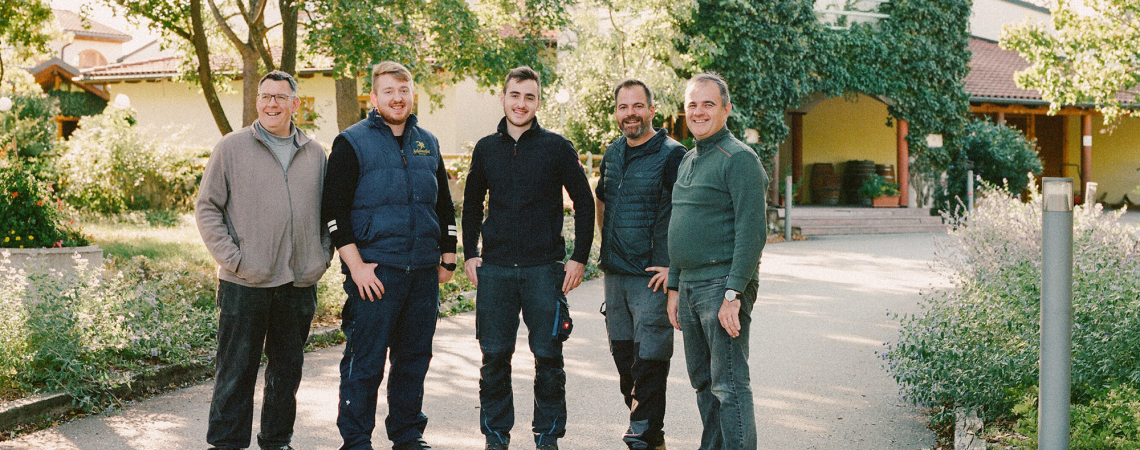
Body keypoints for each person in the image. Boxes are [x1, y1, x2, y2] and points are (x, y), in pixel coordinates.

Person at [320, 61, 457, 450]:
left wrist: (447, 256)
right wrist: (356, 267)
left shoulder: (427, 142)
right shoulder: (351, 142)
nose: (397, 98)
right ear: (374, 97)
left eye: (403, 90)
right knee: (365, 361)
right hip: (376, 273)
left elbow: (443, 205)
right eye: (389, 91)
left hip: (422, 273)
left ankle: (408, 434)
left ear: (412, 93)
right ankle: (356, 440)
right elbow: (333, 211)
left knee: (414, 359)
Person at [196, 70, 332, 450]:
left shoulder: (315, 153)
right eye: (265, 96)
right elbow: (207, 208)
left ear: (295, 104)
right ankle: (227, 443)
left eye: (280, 97)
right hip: (245, 282)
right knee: (235, 371)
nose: (272, 104)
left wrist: (321, 257)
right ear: (257, 101)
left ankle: (277, 441)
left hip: (298, 281)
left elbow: (328, 212)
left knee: (287, 372)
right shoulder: (232, 147)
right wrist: (235, 260)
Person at [462, 66, 595, 450]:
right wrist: (470, 253)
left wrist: (579, 257)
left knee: (549, 359)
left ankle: (547, 438)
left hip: (544, 271)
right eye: (515, 95)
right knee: (494, 359)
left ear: (538, 102)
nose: (521, 104)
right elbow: (471, 205)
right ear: (503, 98)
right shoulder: (486, 148)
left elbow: (584, 203)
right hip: (496, 271)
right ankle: (496, 439)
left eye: (529, 97)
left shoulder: (557, 147)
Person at [666, 72, 768, 450]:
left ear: (726, 109)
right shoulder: (688, 159)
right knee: (704, 384)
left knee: (729, 385)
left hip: (721, 285)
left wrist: (733, 293)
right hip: (690, 285)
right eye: (692, 104)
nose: (699, 111)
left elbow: (752, 232)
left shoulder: (739, 159)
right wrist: (674, 286)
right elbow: (680, 224)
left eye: (708, 104)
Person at [595, 79, 686, 450]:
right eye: (623, 107)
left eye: (637, 106)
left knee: (649, 361)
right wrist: (608, 244)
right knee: (625, 364)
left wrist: (674, 268)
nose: (630, 113)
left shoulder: (673, 154)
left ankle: (641, 437)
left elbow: (689, 213)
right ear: (616, 112)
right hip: (615, 276)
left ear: (651, 110)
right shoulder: (612, 153)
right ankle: (653, 436)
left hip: (652, 278)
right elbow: (601, 199)